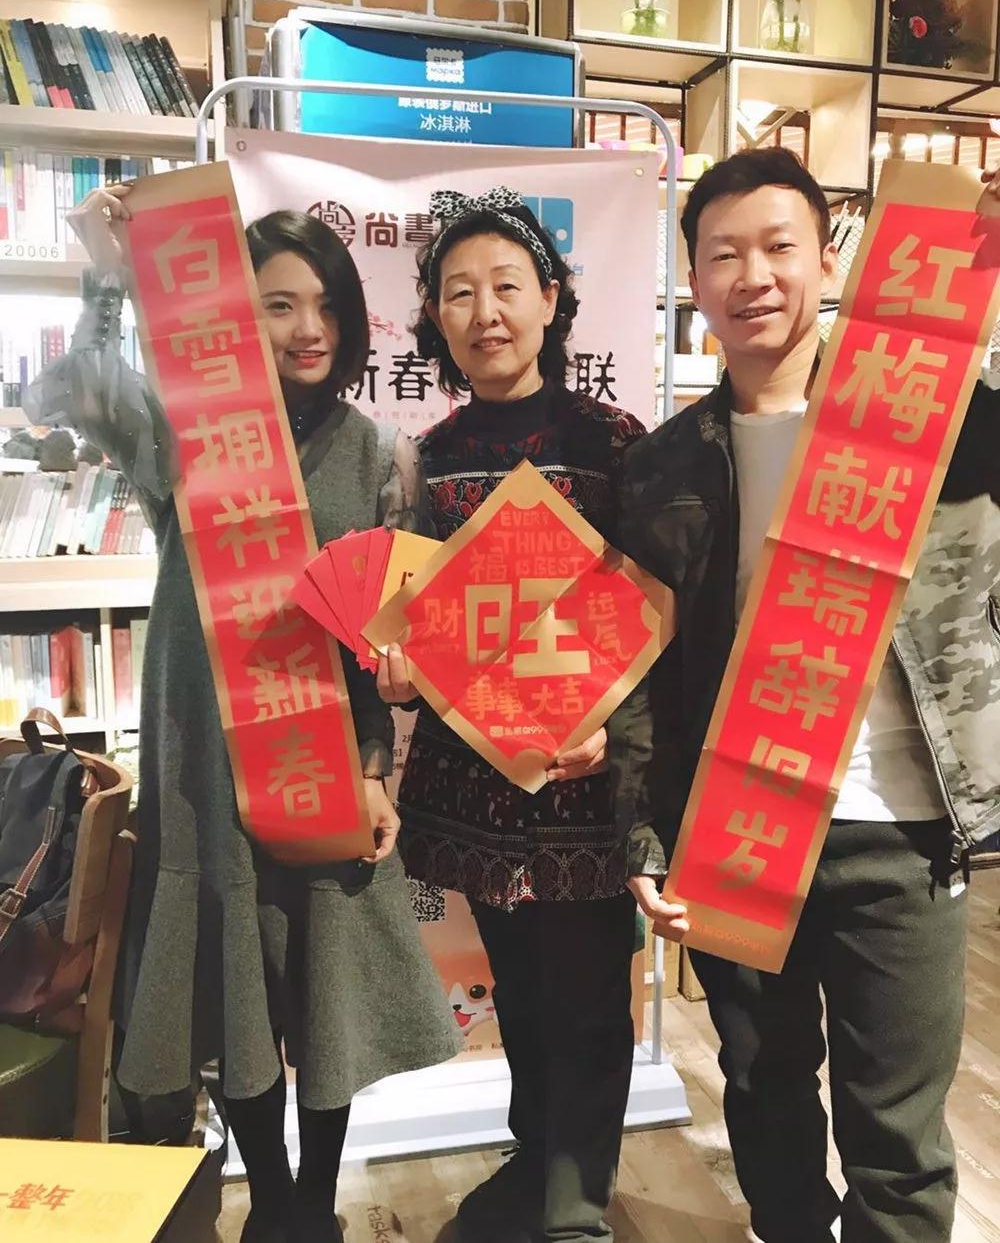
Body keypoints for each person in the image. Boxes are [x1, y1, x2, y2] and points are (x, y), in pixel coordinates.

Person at [25, 184, 459, 1243]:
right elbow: (83, 394)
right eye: (277, 304)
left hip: (321, 756)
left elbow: (372, 645)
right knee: (235, 982)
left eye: (326, 305)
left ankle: (314, 1198)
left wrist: (373, 767)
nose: (309, 328)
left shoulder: (376, 454)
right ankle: (272, 1196)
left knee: (324, 988)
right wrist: (108, 274)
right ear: (230, 316)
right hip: (203, 761)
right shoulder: (187, 437)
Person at [615, 146, 1000, 1243]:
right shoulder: (663, 465)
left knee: (899, 1144)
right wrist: (648, 836)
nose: (754, 276)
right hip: (740, 826)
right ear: (693, 280)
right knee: (765, 1101)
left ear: (830, 262)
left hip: (903, 830)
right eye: (723, 254)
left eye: (779, 246)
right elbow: (646, 676)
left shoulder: (952, 425)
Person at [376, 186, 646, 1243]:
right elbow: (408, 608)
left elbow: (657, 608)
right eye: (459, 292)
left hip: (584, 783)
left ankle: (576, 1209)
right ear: (434, 317)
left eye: (505, 286)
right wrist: (399, 665)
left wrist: (617, 729)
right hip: (477, 780)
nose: (485, 312)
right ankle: (535, 1164)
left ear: (551, 298)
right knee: (522, 996)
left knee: (590, 1001)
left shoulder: (615, 440)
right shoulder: (428, 453)